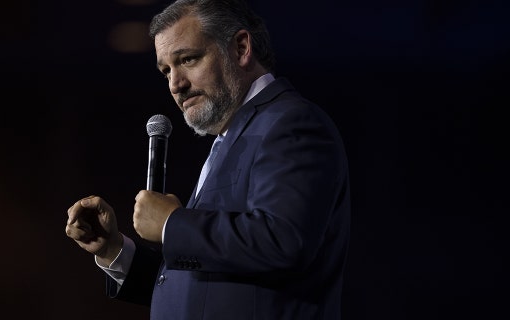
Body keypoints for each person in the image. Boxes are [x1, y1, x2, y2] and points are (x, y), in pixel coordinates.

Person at [65, 0, 351, 319]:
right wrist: (114, 251)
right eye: (166, 71)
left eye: (187, 59)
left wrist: (172, 224)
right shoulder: (233, 137)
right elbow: (209, 290)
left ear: (241, 48)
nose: (176, 84)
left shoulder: (290, 122)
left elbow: (282, 241)